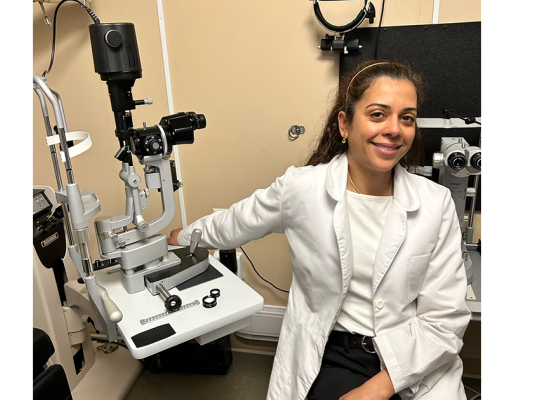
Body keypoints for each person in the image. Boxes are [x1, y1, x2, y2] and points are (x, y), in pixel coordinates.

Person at [168, 60, 471, 400]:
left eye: (407, 118)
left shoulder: (435, 203)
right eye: (377, 114)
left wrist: (377, 389)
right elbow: (235, 222)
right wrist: (181, 238)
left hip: (411, 354)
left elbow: (445, 318)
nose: (394, 129)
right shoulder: (302, 189)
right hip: (331, 351)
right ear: (345, 124)